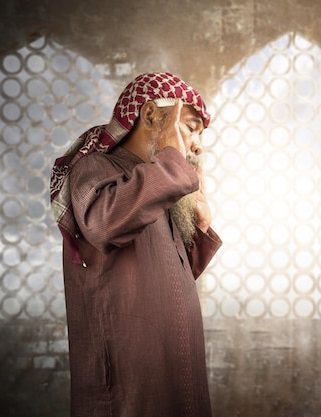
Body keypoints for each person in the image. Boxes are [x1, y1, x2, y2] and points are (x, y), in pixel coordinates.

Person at [49, 72, 222, 417]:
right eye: (189, 127)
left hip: (175, 369)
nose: (198, 145)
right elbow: (103, 225)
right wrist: (171, 166)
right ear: (150, 116)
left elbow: (164, 278)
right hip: (128, 379)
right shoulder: (96, 168)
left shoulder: (157, 188)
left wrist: (201, 227)